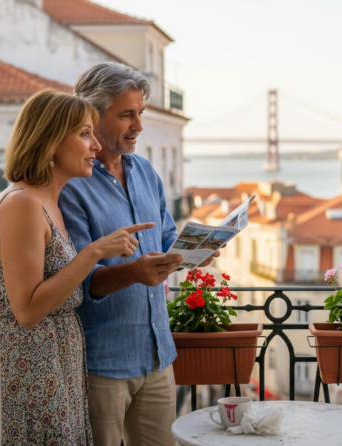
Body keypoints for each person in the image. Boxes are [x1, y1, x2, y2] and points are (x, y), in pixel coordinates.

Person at [59, 62, 220, 446]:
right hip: (102, 364)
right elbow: (78, 280)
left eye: (141, 113)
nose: (139, 125)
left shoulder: (146, 171)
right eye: (126, 114)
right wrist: (133, 272)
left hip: (158, 355)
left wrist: (194, 251)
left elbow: (165, 238)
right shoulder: (72, 184)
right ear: (92, 116)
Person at [0, 90, 154, 445]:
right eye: (85, 134)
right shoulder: (22, 203)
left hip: (57, 367)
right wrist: (94, 252)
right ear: (50, 140)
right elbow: (27, 310)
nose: (96, 147)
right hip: (31, 373)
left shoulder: (47, 202)